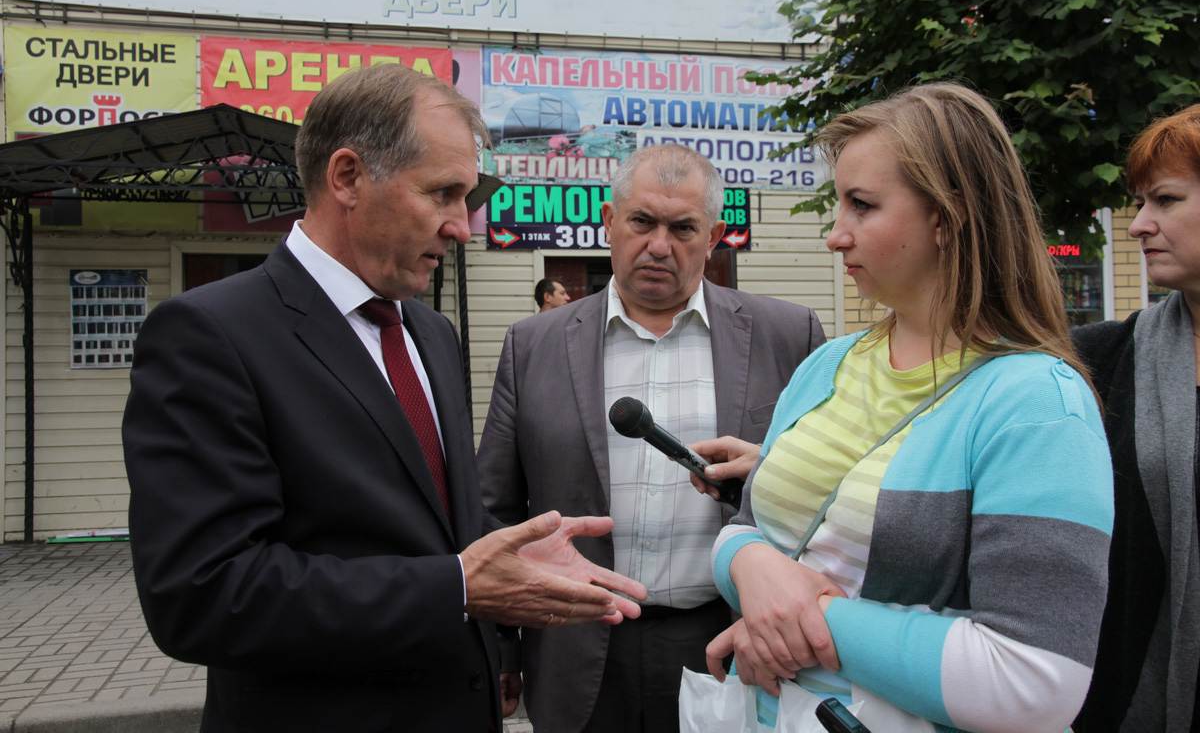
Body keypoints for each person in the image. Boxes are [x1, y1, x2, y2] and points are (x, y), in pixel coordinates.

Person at [121, 64, 645, 733]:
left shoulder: (427, 331)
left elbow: (428, 523)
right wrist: (456, 588)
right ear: (347, 177)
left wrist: (509, 559)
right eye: (444, 194)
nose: (463, 226)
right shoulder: (210, 335)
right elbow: (201, 596)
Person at [703, 83, 1113, 732]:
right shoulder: (826, 367)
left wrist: (803, 615)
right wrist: (752, 567)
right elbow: (746, 528)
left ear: (947, 217)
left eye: (861, 206)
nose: (836, 235)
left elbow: (1037, 680)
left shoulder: (1036, 402)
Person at [477, 143, 826, 732]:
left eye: (683, 227)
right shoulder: (531, 345)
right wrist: (502, 649)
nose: (659, 245)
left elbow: (826, 496)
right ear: (610, 223)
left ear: (713, 236)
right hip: (576, 642)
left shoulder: (788, 336)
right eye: (642, 221)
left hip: (731, 643)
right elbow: (495, 512)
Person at [1072, 104, 1200, 732]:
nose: (1139, 226)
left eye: (1166, 200)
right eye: (1141, 202)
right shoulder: (1105, 359)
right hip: (1134, 699)